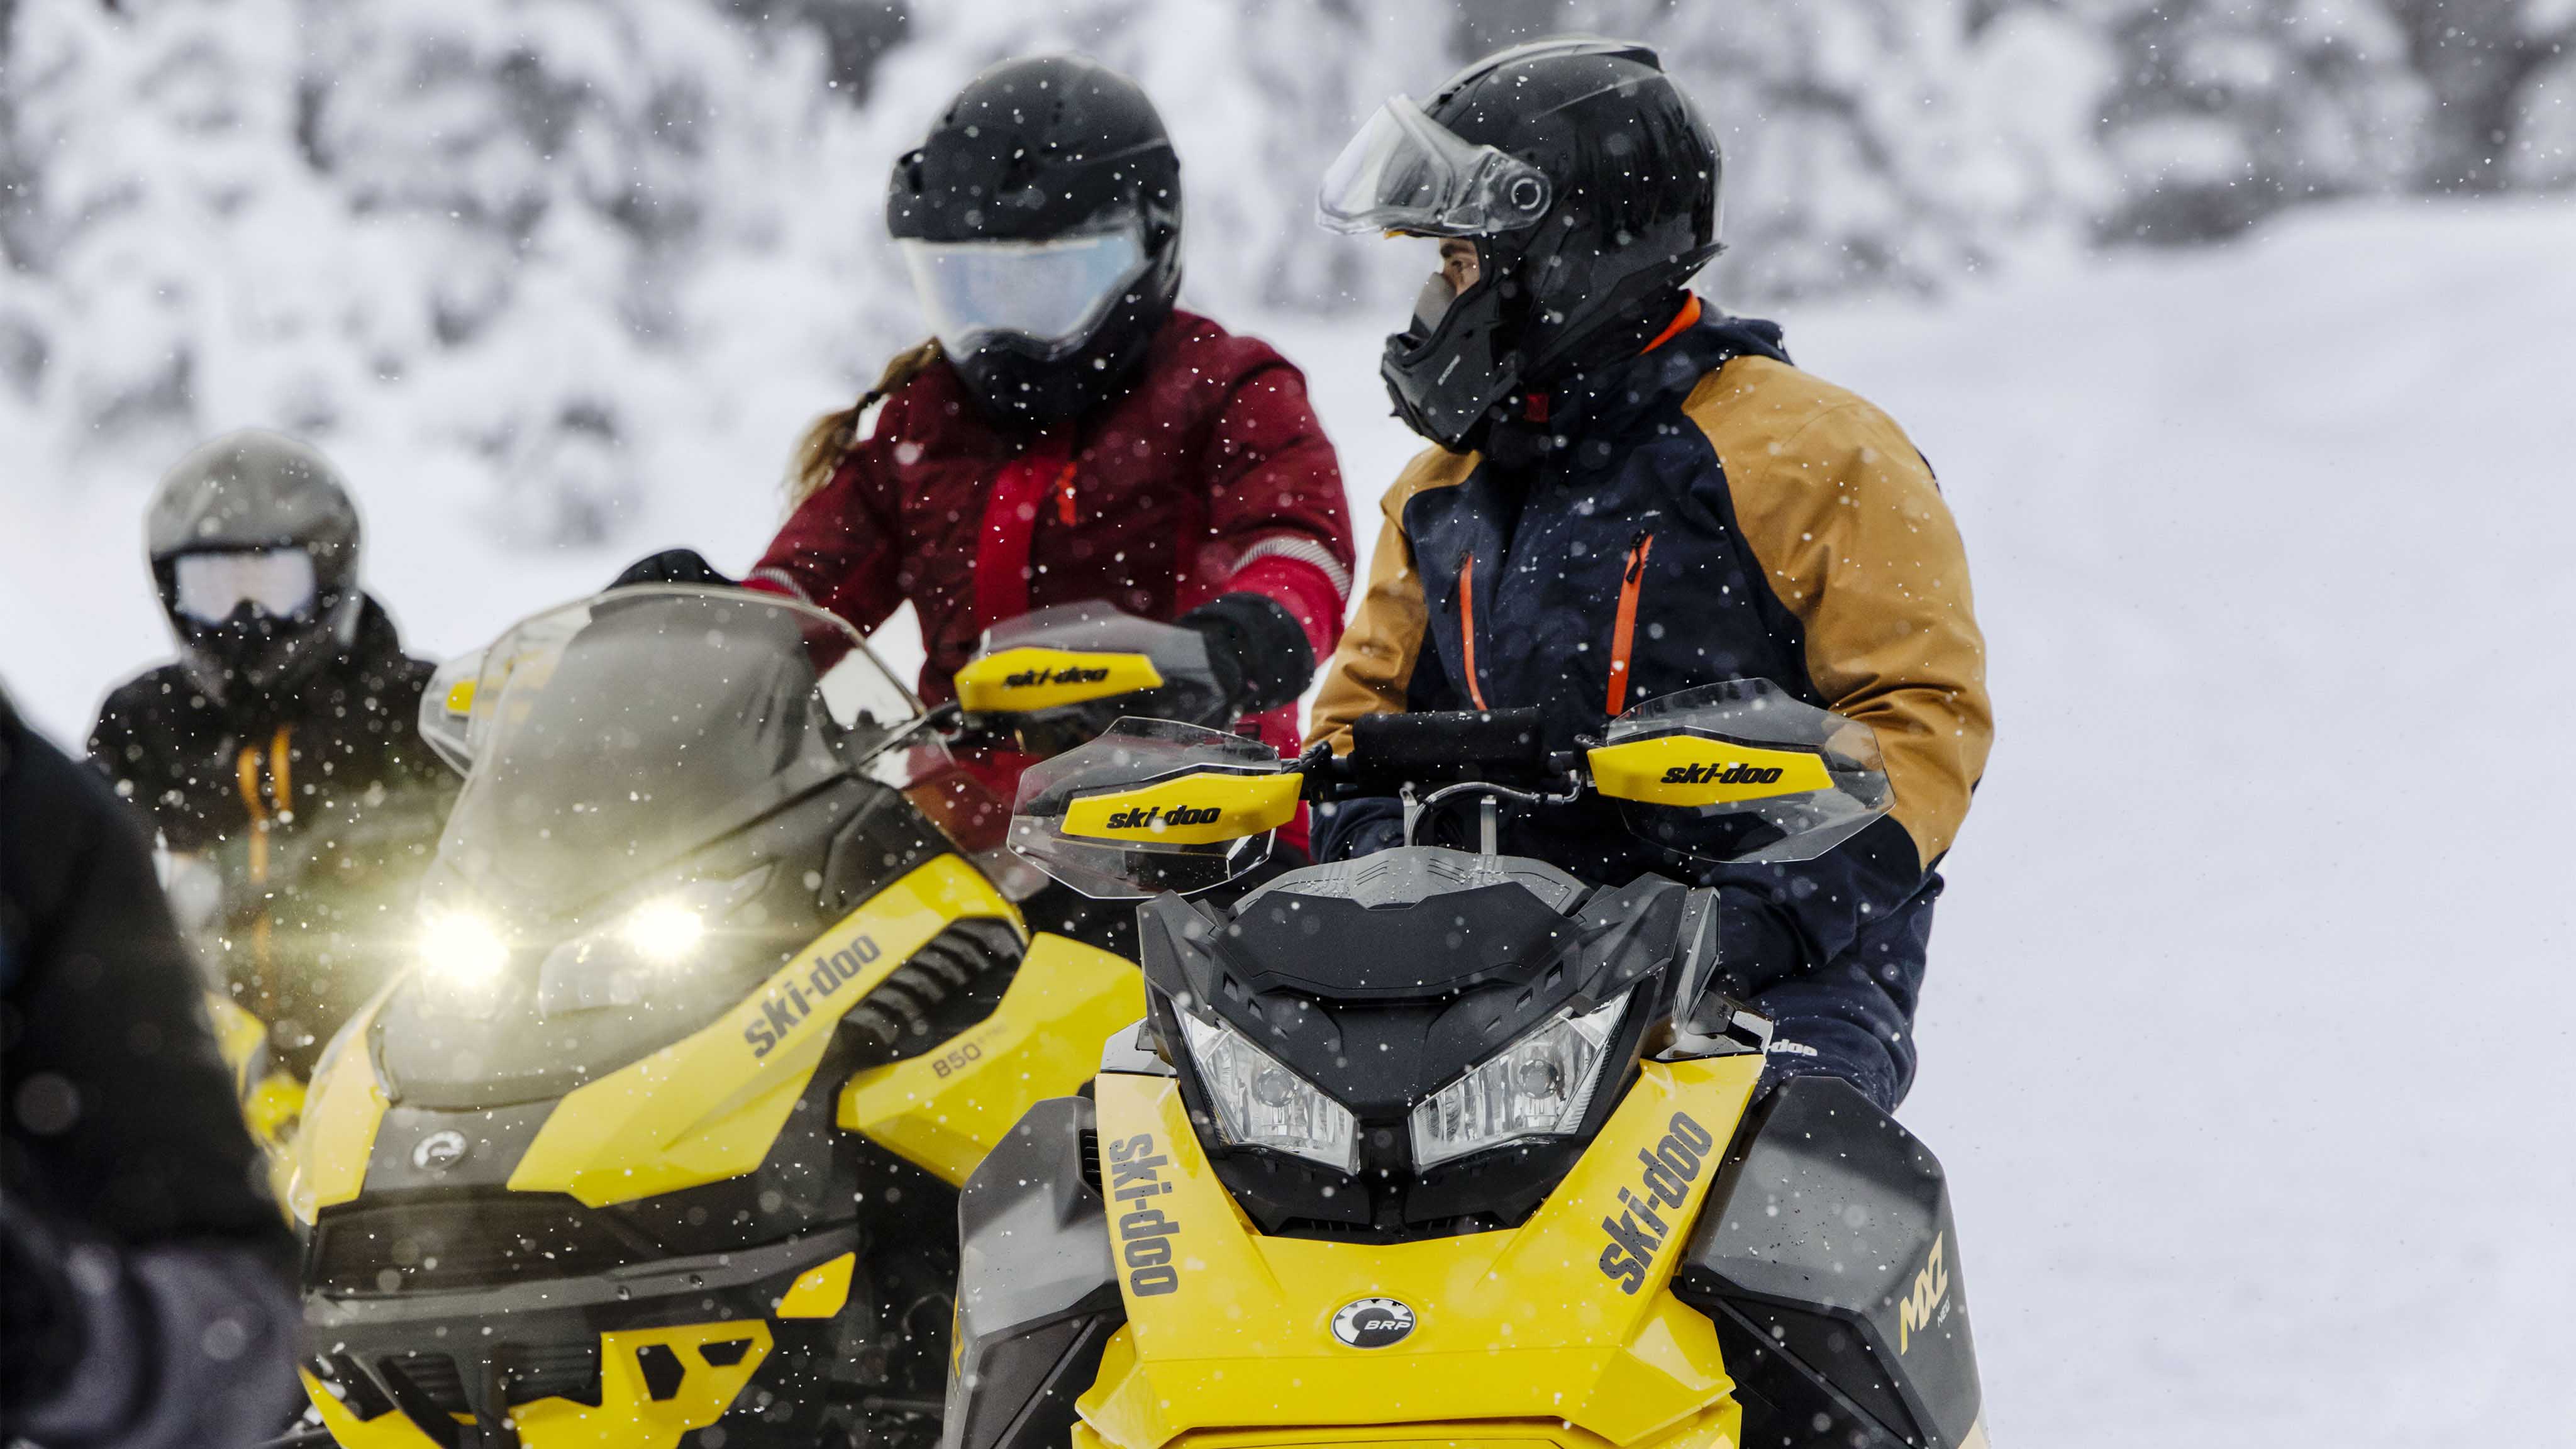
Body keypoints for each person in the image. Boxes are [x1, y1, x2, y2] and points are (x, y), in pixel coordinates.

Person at [1306, 38, 1994, 1113]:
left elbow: (1922, 718)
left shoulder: (1815, 450)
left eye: (1460, 263)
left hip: (1773, 964)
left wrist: (1760, 911)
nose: (1442, 303)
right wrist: (1361, 866)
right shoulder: (1441, 487)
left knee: (1780, 1194)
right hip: (1487, 966)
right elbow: (1352, 726)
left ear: (1570, 248)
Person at [621, 55, 1357, 950]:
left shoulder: (1225, 387)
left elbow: (1294, 541)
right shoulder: (924, 421)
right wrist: (708, 635)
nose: (1005, 328)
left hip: (1188, 839)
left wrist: (1239, 640)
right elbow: (808, 588)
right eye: (971, 288)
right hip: (959, 854)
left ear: (1150, 243)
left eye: (1046, 286)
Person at [89, 430, 452, 1082]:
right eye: (215, 590)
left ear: (331, 572)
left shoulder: (417, 709)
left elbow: (535, 803)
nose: (245, 618)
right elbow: (69, 859)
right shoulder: (143, 725)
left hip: (413, 1065)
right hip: (199, 1083)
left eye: (271, 584)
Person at [2, 689, 304, 1449]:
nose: (243, 609)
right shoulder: (147, 719)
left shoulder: (32, 819)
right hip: (231, 1001)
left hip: (313, 1010)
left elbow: (240, 1327)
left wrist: (57, 1331)